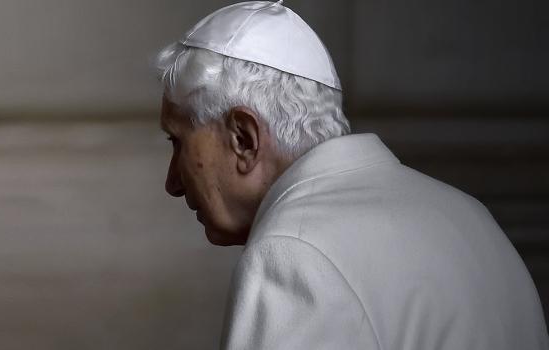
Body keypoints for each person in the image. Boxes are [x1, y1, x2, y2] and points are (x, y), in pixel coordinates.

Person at [156, 1, 549, 349]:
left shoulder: (293, 251)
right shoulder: (469, 214)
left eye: (178, 142)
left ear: (244, 138)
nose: (173, 183)